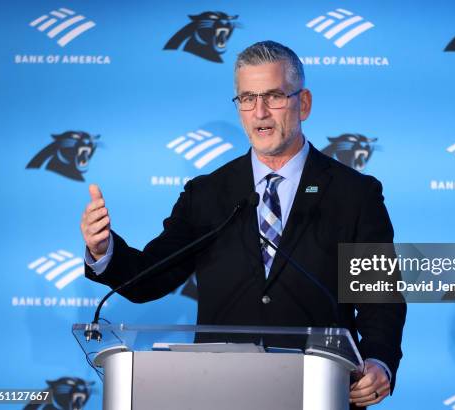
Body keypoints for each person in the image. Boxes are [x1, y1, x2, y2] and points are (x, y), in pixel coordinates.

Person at [81, 40, 406, 407]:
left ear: (305, 103)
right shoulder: (207, 194)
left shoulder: (354, 194)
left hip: (320, 394)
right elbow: (149, 278)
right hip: (220, 393)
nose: (260, 112)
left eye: (274, 96)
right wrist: (103, 250)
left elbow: (380, 297)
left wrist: (379, 361)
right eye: (247, 98)